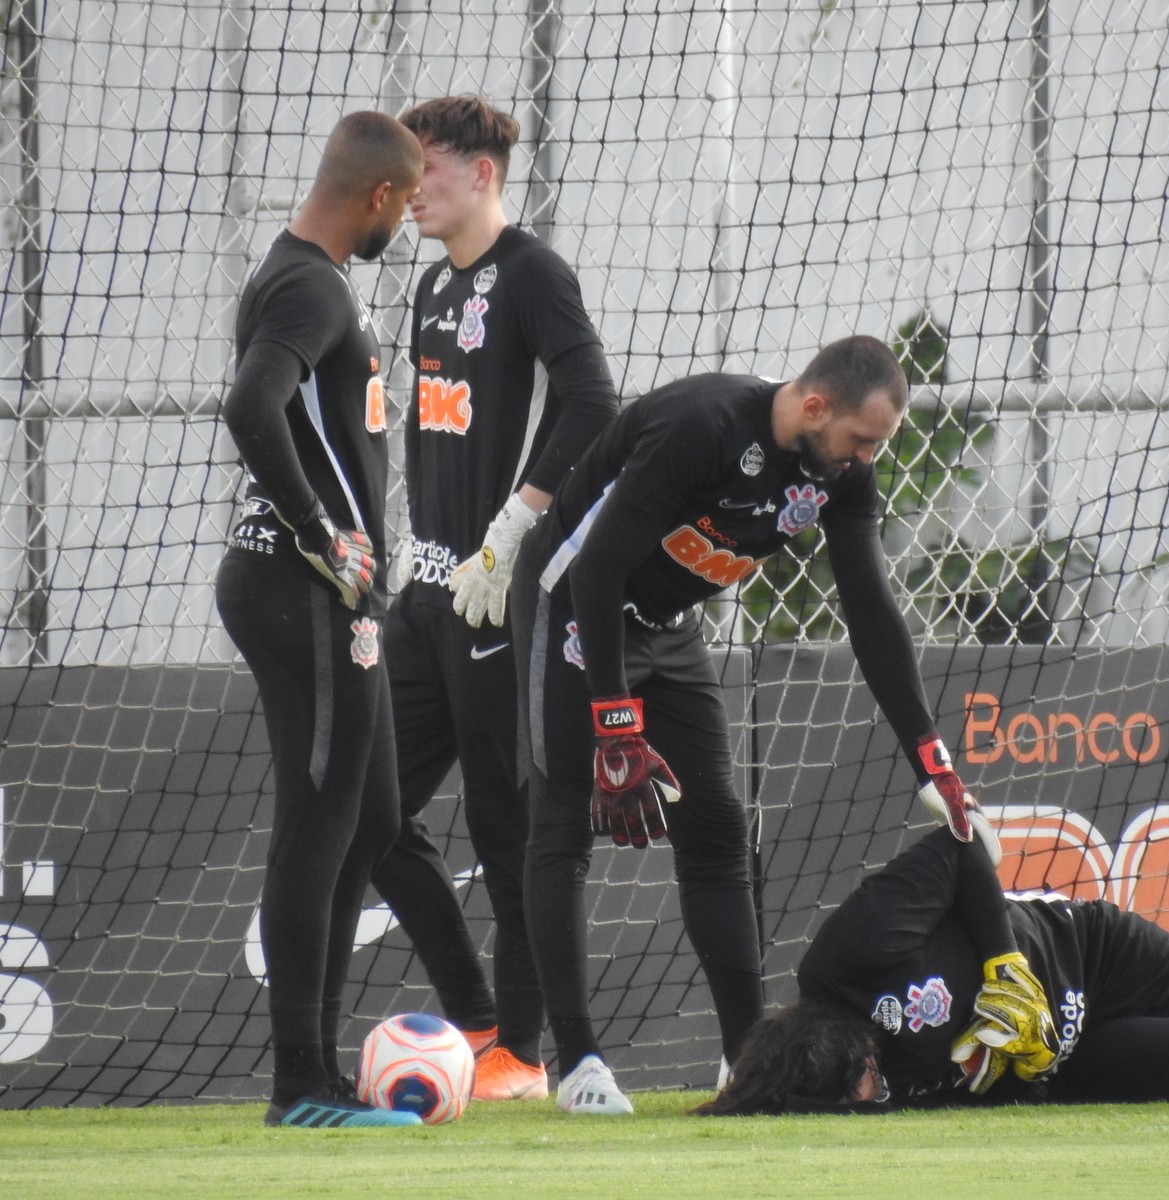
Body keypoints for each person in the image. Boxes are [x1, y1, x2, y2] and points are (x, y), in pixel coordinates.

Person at [508, 334, 981, 1115]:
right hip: (575, 603)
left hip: (666, 620)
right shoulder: (706, 424)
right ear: (816, 406)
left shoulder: (841, 471)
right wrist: (616, 724)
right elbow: (593, 568)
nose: (866, 457)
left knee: (719, 827)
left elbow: (869, 609)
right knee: (563, 821)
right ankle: (580, 1063)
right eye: (861, 439)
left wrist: (927, 750)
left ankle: (746, 1058)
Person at [369, 96, 621, 1104]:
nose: (408, 191)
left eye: (423, 169)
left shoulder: (532, 273)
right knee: (366, 807)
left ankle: (518, 1052)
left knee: (502, 825)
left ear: (480, 173)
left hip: (491, 599)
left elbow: (594, 397)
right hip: (422, 593)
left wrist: (514, 531)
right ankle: (472, 1019)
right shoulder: (430, 282)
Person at [215, 111, 424, 1128]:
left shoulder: (308, 277)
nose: (406, 224)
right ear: (378, 197)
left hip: (320, 589)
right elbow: (250, 403)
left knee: (372, 815)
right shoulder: (307, 282)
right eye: (405, 204)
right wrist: (320, 532)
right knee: (321, 817)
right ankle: (299, 1083)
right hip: (302, 587)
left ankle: (323, 1074)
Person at [697, 822, 1169, 1113]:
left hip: (1092, 951)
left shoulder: (849, 953)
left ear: (845, 1049)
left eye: (862, 1084)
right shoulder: (884, 1093)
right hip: (1063, 1055)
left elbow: (958, 844)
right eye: (865, 1098)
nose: (876, 1089)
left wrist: (1005, 967)